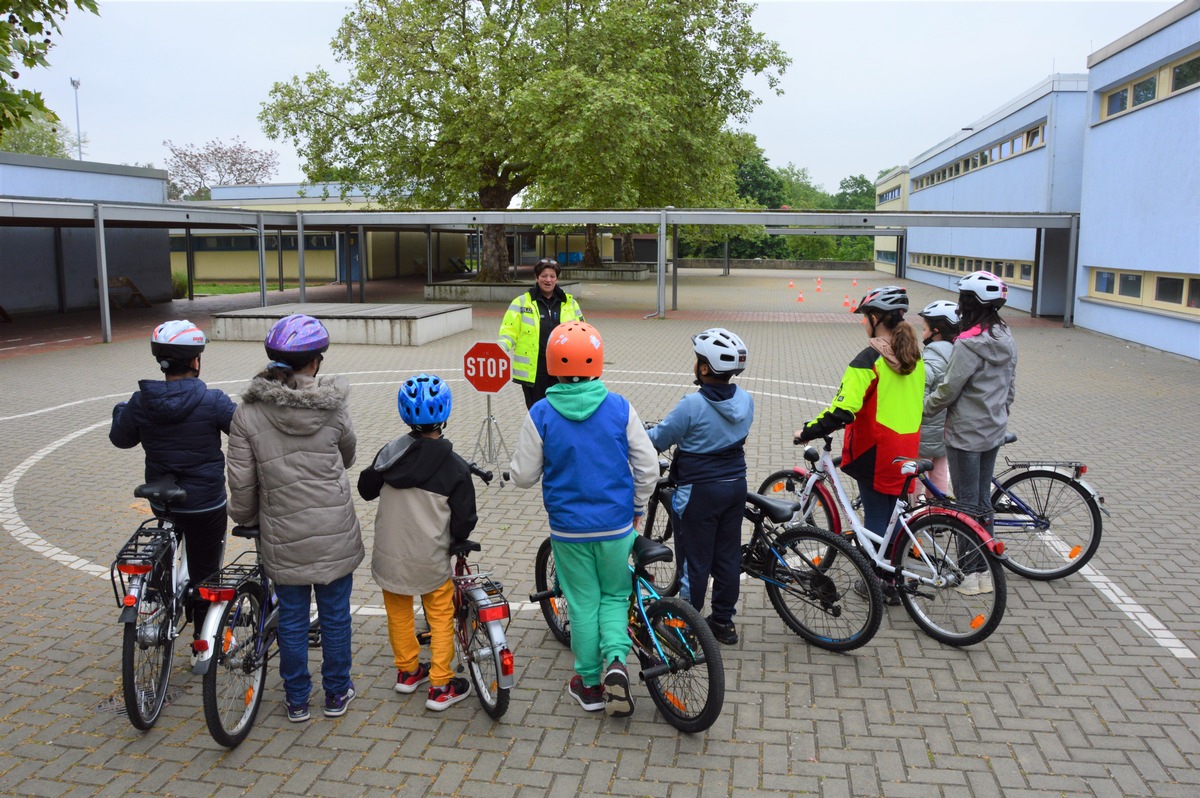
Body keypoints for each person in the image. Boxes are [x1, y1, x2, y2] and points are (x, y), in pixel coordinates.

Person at [509, 321, 658, 718]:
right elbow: (648, 466)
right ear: (598, 362)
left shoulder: (540, 412)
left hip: (569, 530)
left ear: (552, 365)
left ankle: (590, 684)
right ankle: (615, 660)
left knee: (581, 601)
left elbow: (523, 476)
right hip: (616, 525)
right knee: (614, 595)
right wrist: (639, 506)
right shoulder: (620, 407)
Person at [226, 313, 364, 723]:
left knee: (290, 615)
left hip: (282, 534)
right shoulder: (334, 408)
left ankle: (298, 698)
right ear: (315, 362)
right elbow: (349, 456)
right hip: (334, 532)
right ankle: (337, 693)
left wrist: (248, 518)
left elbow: (241, 482)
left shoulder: (246, 414)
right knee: (336, 614)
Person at [110, 320, 236, 654]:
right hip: (205, 502)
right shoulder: (213, 401)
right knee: (205, 572)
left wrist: (120, 411)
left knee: (168, 535)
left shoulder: (141, 402)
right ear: (196, 361)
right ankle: (205, 639)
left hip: (162, 498)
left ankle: (158, 598)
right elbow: (244, 429)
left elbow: (120, 439)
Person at [794, 286, 925, 604]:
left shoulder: (869, 360)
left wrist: (809, 430)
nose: (863, 323)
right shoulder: (913, 356)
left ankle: (880, 584)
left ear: (876, 318)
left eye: (865, 317)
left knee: (878, 519)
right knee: (894, 515)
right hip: (907, 445)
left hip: (876, 450)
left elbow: (843, 409)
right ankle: (896, 576)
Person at [357, 374, 478, 711]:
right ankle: (440, 684)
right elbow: (465, 519)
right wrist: (459, 539)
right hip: (430, 557)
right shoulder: (454, 466)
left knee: (398, 613)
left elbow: (366, 489)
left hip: (390, 555)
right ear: (445, 414)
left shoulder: (390, 454)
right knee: (441, 615)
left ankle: (408, 671)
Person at [646, 328, 753, 645]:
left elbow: (659, 439)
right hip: (736, 486)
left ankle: (685, 628)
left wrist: (635, 431)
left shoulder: (692, 405)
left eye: (698, 360)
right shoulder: (746, 400)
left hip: (699, 491)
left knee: (695, 561)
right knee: (727, 557)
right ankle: (722, 622)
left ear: (705, 368)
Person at [926, 271, 1018, 595]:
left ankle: (970, 574)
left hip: (965, 435)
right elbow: (1010, 387)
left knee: (966, 505)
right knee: (982, 502)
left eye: (963, 300)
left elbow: (949, 389)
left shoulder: (967, 343)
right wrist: (999, 414)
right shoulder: (1005, 335)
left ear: (970, 303)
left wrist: (923, 409)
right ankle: (986, 572)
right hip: (993, 430)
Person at [498, 257, 585, 410]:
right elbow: (508, 331)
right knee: (537, 412)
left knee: (562, 412)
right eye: (544, 276)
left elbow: (582, 332)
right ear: (536, 277)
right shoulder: (521, 302)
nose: (548, 280)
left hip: (563, 368)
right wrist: (498, 349)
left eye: (552, 276)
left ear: (557, 279)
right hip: (535, 370)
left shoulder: (570, 304)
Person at [915, 300, 961, 498]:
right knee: (940, 473)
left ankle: (911, 515)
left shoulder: (932, 358)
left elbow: (920, 393)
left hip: (926, 431)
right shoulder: (960, 353)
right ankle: (939, 515)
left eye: (924, 329)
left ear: (936, 331)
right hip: (947, 429)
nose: (922, 334)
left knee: (915, 474)